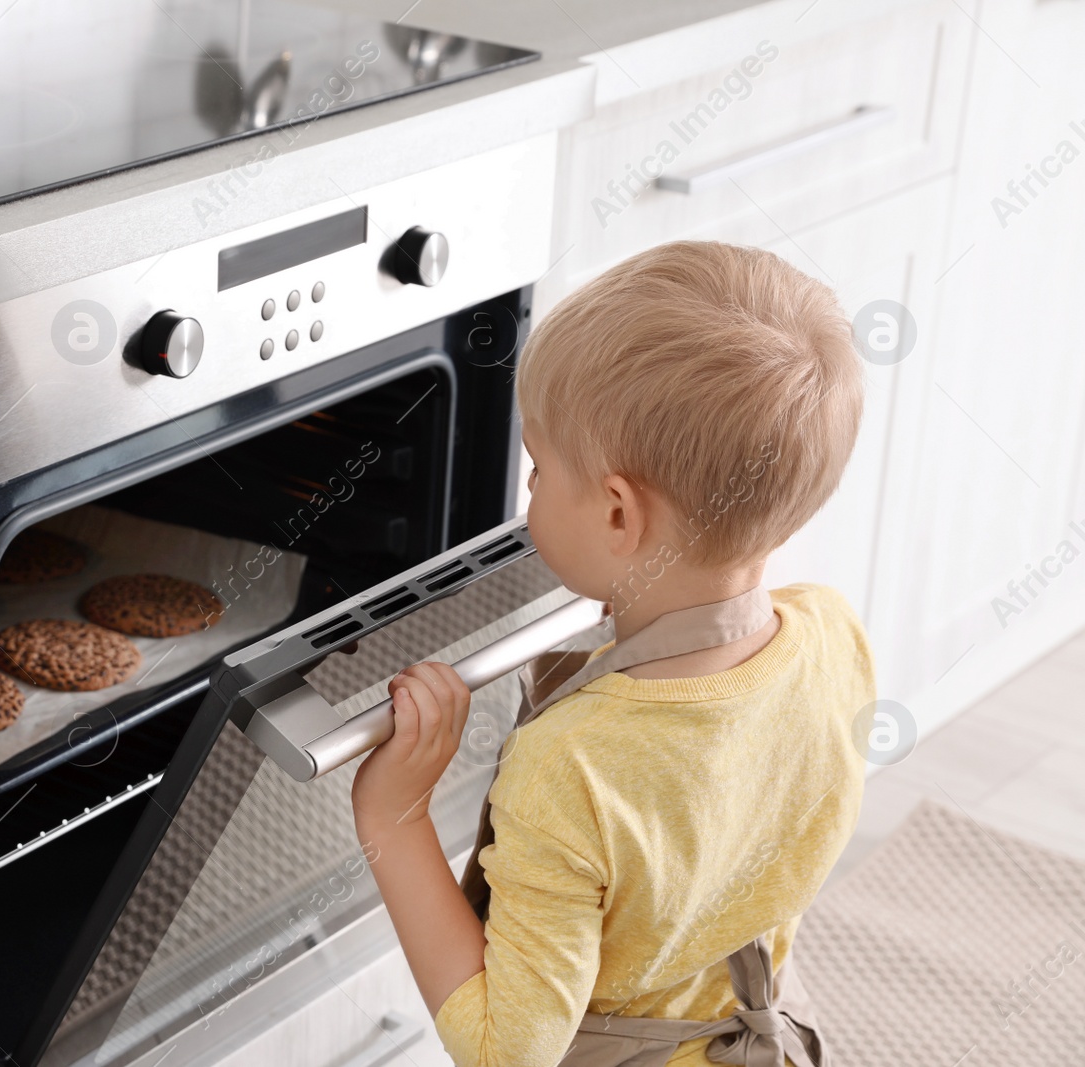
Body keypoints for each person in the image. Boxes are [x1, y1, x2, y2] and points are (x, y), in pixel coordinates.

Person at [349, 240, 873, 1066]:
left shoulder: (574, 766)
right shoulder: (832, 636)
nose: (528, 489)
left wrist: (397, 815)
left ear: (620, 515)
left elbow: (507, 1051)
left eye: (539, 467)